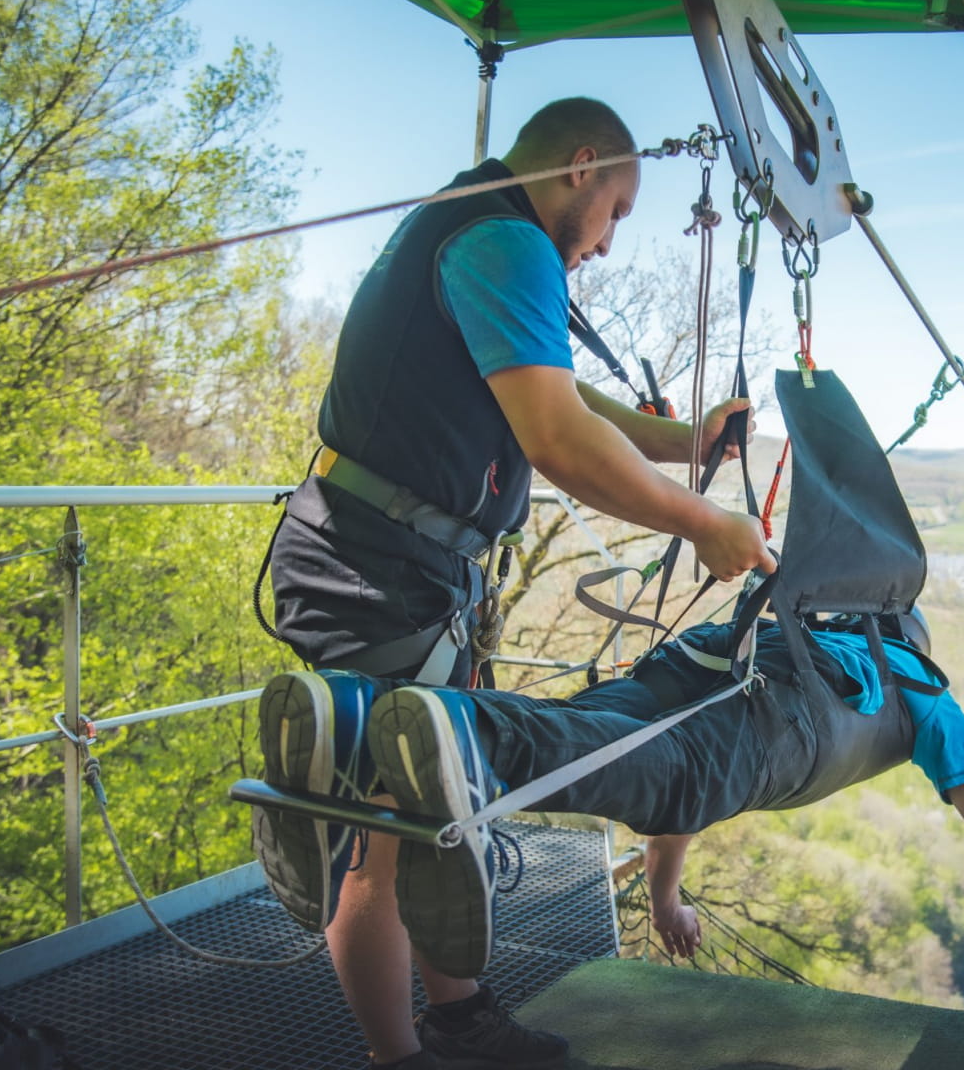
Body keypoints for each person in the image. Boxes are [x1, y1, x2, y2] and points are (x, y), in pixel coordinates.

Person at [255, 96, 776, 1069]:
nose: (610, 243)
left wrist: (683, 441)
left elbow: (556, 389)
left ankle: (456, 1019)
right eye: (617, 210)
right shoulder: (507, 240)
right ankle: (398, 1055)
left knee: (428, 804)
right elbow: (559, 437)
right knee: (385, 831)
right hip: (377, 569)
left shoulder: (472, 225)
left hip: (389, 561)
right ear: (580, 167)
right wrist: (706, 523)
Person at [252, 612, 964, 1068]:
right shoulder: (920, 691)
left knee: (582, 732)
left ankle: (355, 713)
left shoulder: (798, 626)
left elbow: (678, 792)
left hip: (691, 664)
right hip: (755, 736)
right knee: (621, 765)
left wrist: (664, 898)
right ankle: (452, 729)